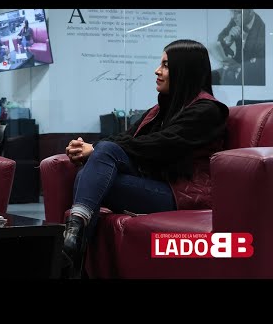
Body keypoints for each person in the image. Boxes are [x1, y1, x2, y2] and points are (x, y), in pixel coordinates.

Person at [63, 39, 229, 278]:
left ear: (184, 71)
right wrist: (89, 149)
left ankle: (71, 251)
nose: (157, 70)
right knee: (88, 174)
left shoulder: (208, 111)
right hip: (155, 184)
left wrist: (95, 148)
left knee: (99, 162)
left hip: (181, 195)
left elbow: (161, 145)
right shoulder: (162, 109)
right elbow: (127, 137)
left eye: (166, 65)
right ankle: (74, 252)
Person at [214, 9, 265, 86]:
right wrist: (228, 39)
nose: (234, 16)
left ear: (250, 12)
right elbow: (220, 38)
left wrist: (238, 66)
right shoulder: (236, 20)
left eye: (238, 12)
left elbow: (260, 64)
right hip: (236, 68)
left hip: (253, 77)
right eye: (232, 12)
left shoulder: (261, 29)